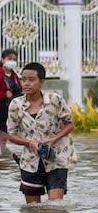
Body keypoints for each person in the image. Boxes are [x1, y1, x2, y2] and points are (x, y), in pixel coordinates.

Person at [7, 62, 77, 204]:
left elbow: (69, 125)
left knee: (55, 208)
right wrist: (29, 142)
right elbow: (11, 135)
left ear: (42, 82)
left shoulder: (55, 100)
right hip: (30, 162)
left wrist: (53, 140)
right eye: (23, 79)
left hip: (56, 158)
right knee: (32, 211)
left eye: (31, 79)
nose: (26, 83)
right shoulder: (15, 104)